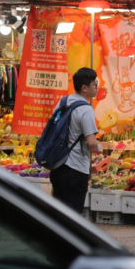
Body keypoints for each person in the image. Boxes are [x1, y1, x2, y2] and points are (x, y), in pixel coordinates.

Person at [48, 67, 101, 214]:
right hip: (75, 169)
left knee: (58, 211)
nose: (96, 87)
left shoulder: (63, 102)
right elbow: (91, 143)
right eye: (94, 84)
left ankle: (55, 236)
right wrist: (100, 147)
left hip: (58, 166)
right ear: (84, 88)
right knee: (72, 214)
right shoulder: (86, 109)